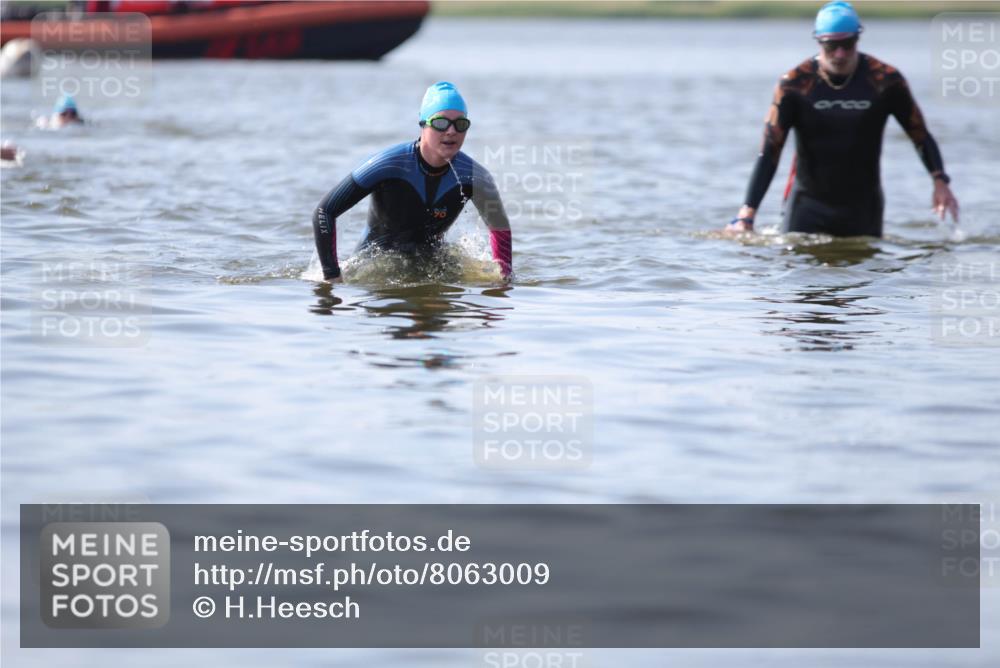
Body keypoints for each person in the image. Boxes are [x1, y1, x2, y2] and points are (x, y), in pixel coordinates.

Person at [727, 1, 958, 237]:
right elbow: (770, 149)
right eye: (832, 45)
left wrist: (940, 181)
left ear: (858, 38)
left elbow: (919, 134)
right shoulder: (795, 85)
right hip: (807, 206)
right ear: (819, 41)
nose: (840, 54)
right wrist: (748, 212)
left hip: (864, 208)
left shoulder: (885, 81)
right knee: (797, 270)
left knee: (865, 272)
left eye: (847, 44)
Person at [312, 81, 512, 282]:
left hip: (433, 268)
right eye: (441, 122)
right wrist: (332, 277)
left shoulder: (475, 177)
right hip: (374, 269)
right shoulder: (388, 164)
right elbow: (324, 211)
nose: (451, 131)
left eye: (460, 124)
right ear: (423, 125)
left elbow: (500, 229)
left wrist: (504, 282)